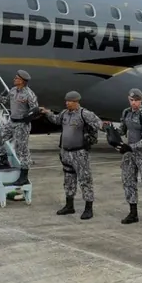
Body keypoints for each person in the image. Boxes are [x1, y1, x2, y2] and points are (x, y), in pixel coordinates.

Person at [41, 91, 102, 220]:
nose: (67, 103)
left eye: (70, 101)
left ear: (76, 101)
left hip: (79, 152)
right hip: (66, 152)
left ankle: (88, 208)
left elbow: (98, 123)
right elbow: (56, 120)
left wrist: (90, 135)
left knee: (85, 180)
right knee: (68, 180)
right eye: (66, 101)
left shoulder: (84, 114)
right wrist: (47, 113)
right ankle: (69, 206)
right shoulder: (64, 113)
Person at [106, 88, 142, 227]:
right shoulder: (126, 112)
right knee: (128, 181)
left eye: (136, 100)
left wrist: (130, 147)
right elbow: (123, 129)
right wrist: (110, 130)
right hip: (129, 154)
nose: (134, 103)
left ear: (141, 100)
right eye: (131, 100)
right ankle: (133, 212)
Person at [0, 70, 38, 187]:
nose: (14, 79)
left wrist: (26, 119)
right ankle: (4, 161)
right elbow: (5, 100)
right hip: (12, 122)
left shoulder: (29, 94)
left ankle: (24, 177)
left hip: (22, 125)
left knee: (21, 150)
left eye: (16, 78)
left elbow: (35, 109)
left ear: (22, 81)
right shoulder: (13, 91)